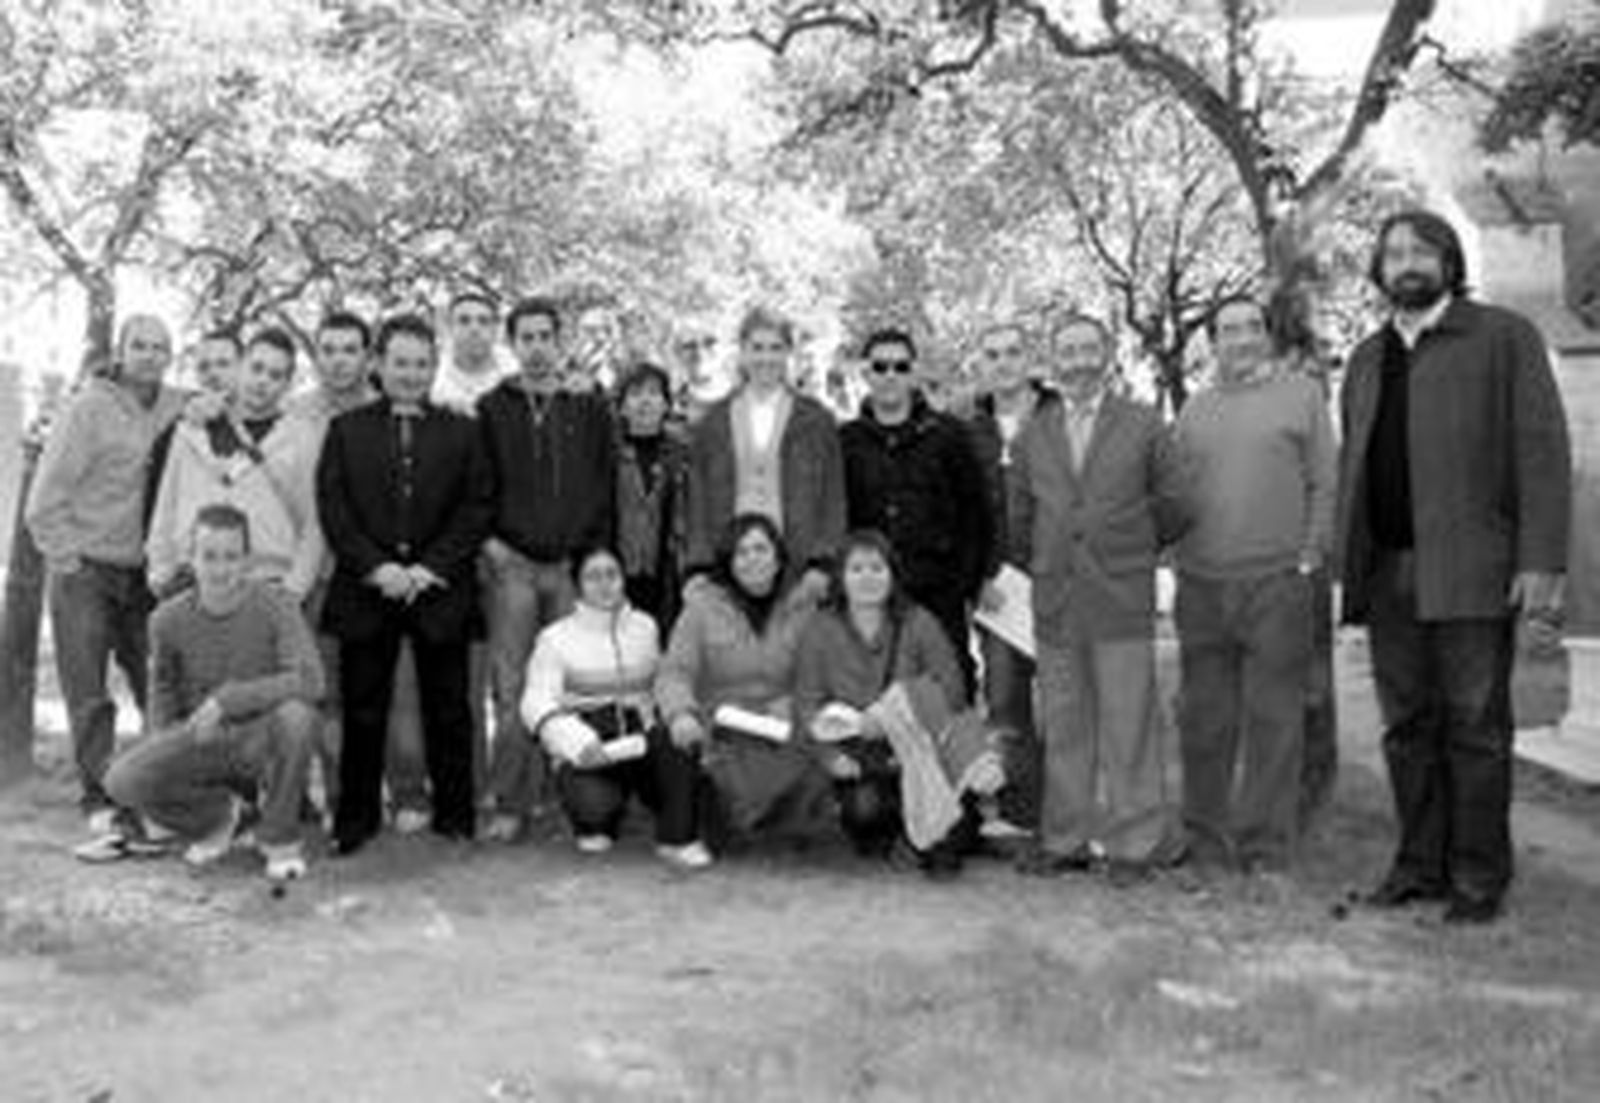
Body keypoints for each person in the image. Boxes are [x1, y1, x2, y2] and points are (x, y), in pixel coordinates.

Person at [1338, 210, 1570, 924]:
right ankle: (1419, 866)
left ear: (1448, 260)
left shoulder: (1503, 336)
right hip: (1388, 573)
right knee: (1407, 728)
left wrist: (1541, 561)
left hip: (1474, 568)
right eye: (1393, 252)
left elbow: (1542, 452)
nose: (1406, 262)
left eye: (1421, 250)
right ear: (1379, 271)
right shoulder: (1367, 357)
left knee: (1476, 729)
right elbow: (1356, 464)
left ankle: (1477, 880)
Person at [1010, 312, 1187, 876]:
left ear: (1107, 356)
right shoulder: (1034, 432)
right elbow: (1021, 513)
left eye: (1090, 349)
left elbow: (1177, 502)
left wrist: (1131, 548)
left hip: (1120, 598)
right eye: (1068, 351)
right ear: (1053, 361)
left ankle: (1137, 843)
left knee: (1129, 724)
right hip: (1057, 601)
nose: (1079, 361)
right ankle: (1066, 840)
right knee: (1064, 726)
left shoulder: (1142, 423)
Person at [1171, 293, 1336, 875]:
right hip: (1202, 584)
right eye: (1226, 330)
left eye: (1250, 327)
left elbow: (1325, 480)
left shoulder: (1303, 395)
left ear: (1266, 334)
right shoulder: (1195, 409)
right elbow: (1177, 493)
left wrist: (1311, 553)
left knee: (1276, 718)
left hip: (1278, 583)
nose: (1239, 339)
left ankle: (1265, 847)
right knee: (1205, 721)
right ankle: (1206, 841)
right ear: (1212, 342)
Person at [316, 313, 493, 854]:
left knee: (450, 709)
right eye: (400, 362)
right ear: (379, 364)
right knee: (363, 709)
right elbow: (335, 507)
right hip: (368, 589)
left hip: (440, 588)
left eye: (421, 363)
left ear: (433, 366)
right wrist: (379, 568)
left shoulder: (462, 430)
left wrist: (428, 568)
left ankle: (457, 816)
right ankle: (357, 819)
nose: (411, 373)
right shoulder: (345, 431)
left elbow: (476, 505)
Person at [88, 505, 322, 880]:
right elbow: (162, 692)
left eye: (231, 556)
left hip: (259, 740)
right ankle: (222, 816)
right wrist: (164, 752)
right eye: (209, 556)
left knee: (298, 715)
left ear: (248, 560)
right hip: (202, 738)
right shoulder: (166, 620)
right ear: (191, 558)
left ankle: (278, 838)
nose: (219, 568)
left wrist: (227, 700)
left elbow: (310, 680)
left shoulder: (277, 605)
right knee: (121, 780)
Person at [25, 314, 187, 832]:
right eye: (139, 345)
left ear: (170, 356)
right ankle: (100, 797)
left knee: (156, 684)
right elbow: (43, 501)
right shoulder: (87, 408)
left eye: (160, 347)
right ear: (121, 351)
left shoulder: (178, 407)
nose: (149, 355)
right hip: (87, 572)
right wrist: (69, 561)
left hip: (145, 575)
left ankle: (159, 789)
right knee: (89, 693)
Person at [480, 296, 618, 841]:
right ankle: (512, 801)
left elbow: (604, 484)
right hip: (512, 568)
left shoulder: (587, 406)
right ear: (513, 344)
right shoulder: (494, 407)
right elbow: (479, 485)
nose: (537, 347)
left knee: (570, 690)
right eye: (527, 337)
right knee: (513, 690)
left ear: (561, 342)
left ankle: (569, 798)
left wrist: (592, 562)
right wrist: (492, 545)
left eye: (546, 336)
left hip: (568, 569)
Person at [794, 530, 1009, 876]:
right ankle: (901, 832)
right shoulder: (819, 629)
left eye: (877, 568)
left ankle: (928, 833)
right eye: (857, 569)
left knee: (950, 847)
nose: (867, 578)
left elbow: (953, 690)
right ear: (841, 577)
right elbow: (805, 703)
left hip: (920, 746)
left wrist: (896, 712)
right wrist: (829, 757)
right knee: (865, 816)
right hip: (858, 752)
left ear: (893, 575)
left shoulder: (918, 621)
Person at [519, 545, 711, 869]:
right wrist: (577, 743)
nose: (605, 584)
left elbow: (665, 682)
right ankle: (596, 820)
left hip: (642, 741)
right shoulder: (555, 638)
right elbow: (535, 701)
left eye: (612, 575)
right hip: (592, 747)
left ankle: (676, 840)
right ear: (578, 585)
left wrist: (678, 719)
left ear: (624, 579)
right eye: (593, 577)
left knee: (680, 740)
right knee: (594, 808)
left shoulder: (646, 627)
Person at [656, 513, 834, 849]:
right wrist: (680, 712)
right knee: (718, 804)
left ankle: (778, 816)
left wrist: (794, 701)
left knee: (818, 763)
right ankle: (736, 815)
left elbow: (820, 675)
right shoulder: (701, 607)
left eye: (760, 549)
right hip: (722, 731)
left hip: (782, 726)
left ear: (779, 556)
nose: (752, 559)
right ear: (728, 561)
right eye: (741, 552)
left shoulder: (807, 607)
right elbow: (675, 671)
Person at [839, 327, 992, 689]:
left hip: (939, 594)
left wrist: (965, 583)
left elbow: (976, 514)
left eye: (900, 366)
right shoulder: (846, 442)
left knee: (950, 692)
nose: (890, 375)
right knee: (875, 698)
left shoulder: (949, 435)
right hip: (869, 596)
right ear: (865, 373)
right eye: (880, 366)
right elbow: (838, 519)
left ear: (915, 372)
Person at [145, 327, 325, 603]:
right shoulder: (193, 427)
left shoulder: (301, 438)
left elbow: (313, 523)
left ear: (288, 383)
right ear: (241, 366)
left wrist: (295, 588)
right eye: (257, 368)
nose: (262, 380)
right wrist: (159, 570)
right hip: (189, 579)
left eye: (275, 375)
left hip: (265, 583)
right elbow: (166, 503)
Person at [683, 306, 845, 604]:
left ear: (788, 354)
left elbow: (832, 497)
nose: (766, 358)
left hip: (798, 570)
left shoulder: (815, 419)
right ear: (742, 353)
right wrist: (699, 567)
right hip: (730, 565)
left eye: (776, 348)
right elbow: (698, 499)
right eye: (757, 348)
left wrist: (823, 563)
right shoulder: (713, 421)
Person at [966, 321, 1046, 836]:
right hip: (997, 592)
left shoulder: (1061, 418)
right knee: (1005, 704)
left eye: (1013, 352)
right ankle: (1020, 814)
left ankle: (1067, 812)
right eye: (993, 354)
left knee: (1067, 706)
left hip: (1060, 584)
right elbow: (961, 511)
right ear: (982, 364)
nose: (1004, 363)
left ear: (1030, 358)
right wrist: (977, 577)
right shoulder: (968, 429)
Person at [614, 361, 690, 629]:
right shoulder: (607, 453)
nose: (644, 402)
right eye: (635, 394)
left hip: (668, 572)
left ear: (667, 404)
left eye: (653, 393)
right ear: (621, 405)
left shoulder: (684, 454)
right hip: (616, 571)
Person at [143, 329, 240, 531]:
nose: (213, 373)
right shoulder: (179, 429)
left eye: (223, 364)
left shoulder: (274, 427)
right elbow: (157, 501)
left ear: (243, 366)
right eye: (204, 367)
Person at [432, 290, 510, 413]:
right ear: (450, 327)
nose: (474, 329)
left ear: (495, 329)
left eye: (483, 321)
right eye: (464, 321)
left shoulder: (517, 372)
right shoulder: (433, 380)